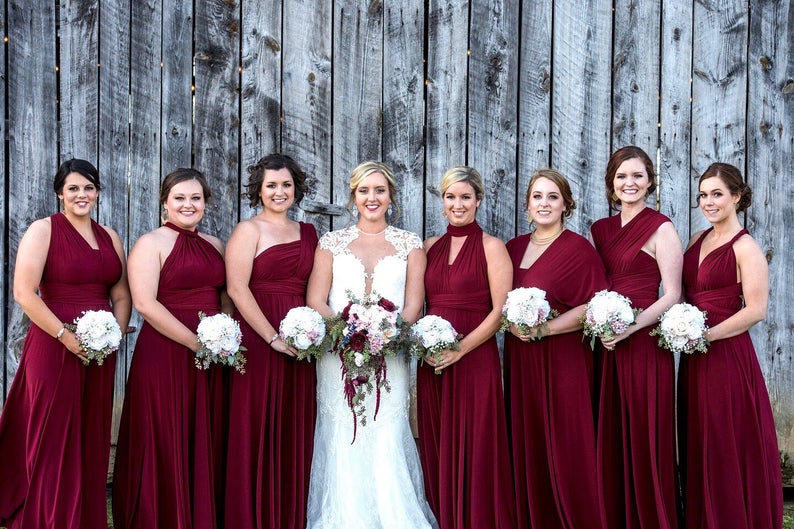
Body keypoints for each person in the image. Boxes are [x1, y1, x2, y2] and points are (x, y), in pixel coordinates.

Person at [0, 159, 131, 529]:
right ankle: (47, 514)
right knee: (53, 430)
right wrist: (66, 337)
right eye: (73, 188)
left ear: (98, 192)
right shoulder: (43, 230)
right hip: (53, 343)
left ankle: (84, 515)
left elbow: (120, 294)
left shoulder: (110, 236)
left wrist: (113, 335)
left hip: (100, 348)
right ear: (60, 193)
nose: (81, 195)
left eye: (88, 187)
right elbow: (25, 294)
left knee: (91, 431)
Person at [305, 161, 436, 529]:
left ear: (391, 196)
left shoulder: (411, 245)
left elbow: (413, 305)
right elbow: (316, 298)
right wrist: (348, 332)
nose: (372, 197)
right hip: (337, 355)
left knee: (385, 429)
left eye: (379, 190)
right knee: (341, 428)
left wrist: (385, 334)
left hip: (390, 353)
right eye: (364, 191)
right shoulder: (330, 243)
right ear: (353, 196)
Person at [113, 168, 231, 529]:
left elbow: (225, 297)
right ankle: (163, 515)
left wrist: (223, 334)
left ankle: (201, 514)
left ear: (205, 203)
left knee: (205, 431)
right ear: (165, 202)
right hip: (166, 353)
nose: (188, 204)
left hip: (212, 353)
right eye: (179, 198)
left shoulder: (215, 244)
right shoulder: (151, 243)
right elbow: (145, 304)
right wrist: (197, 343)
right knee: (165, 431)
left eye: (196, 198)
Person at [677, 163, 782, 529]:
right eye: (703, 195)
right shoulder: (695, 241)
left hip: (726, 357)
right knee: (699, 435)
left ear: (737, 197)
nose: (708, 202)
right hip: (693, 358)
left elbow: (756, 310)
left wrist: (704, 336)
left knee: (724, 438)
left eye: (717, 194)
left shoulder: (746, 248)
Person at [504, 169, 608, 529]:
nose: (544, 204)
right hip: (521, 359)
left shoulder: (579, 249)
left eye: (552, 197)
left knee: (567, 438)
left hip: (564, 358)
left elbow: (593, 306)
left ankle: (577, 516)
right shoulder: (512, 248)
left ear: (566, 204)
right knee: (528, 435)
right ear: (527, 204)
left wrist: (543, 329)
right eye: (537, 196)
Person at [417, 166, 516, 529]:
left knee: (476, 443)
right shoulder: (429, 247)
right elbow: (419, 304)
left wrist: (461, 348)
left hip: (475, 357)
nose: (457, 205)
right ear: (442, 201)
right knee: (438, 442)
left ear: (478, 200)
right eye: (450, 197)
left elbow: (500, 312)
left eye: (465, 197)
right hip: (432, 359)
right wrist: (424, 346)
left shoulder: (492, 247)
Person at [224, 153, 318, 529]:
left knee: (295, 424)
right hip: (258, 335)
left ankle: (288, 515)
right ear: (259, 191)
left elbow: (316, 290)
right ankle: (251, 516)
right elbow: (236, 288)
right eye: (271, 186)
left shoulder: (309, 233)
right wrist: (272, 337)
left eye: (286, 185)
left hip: (301, 339)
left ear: (296, 188)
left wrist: (310, 332)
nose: (280, 192)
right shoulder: (249, 231)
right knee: (256, 422)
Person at [591, 146, 682, 529]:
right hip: (605, 343)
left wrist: (632, 326)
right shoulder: (599, 229)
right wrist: (602, 325)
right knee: (607, 428)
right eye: (621, 176)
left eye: (637, 176)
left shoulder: (662, 227)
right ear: (612, 183)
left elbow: (674, 293)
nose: (630, 183)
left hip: (644, 342)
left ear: (649, 182)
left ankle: (650, 516)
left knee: (645, 431)